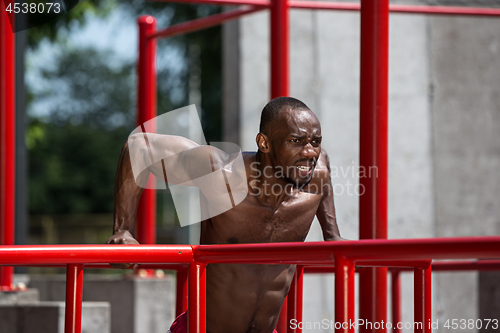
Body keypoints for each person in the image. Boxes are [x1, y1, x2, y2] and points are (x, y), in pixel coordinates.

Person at [106, 97, 343, 333]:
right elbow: (140, 146)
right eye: (296, 141)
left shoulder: (317, 172)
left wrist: (333, 237)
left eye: (316, 142)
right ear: (264, 143)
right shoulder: (222, 174)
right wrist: (124, 230)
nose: (310, 152)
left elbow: (323, 176)